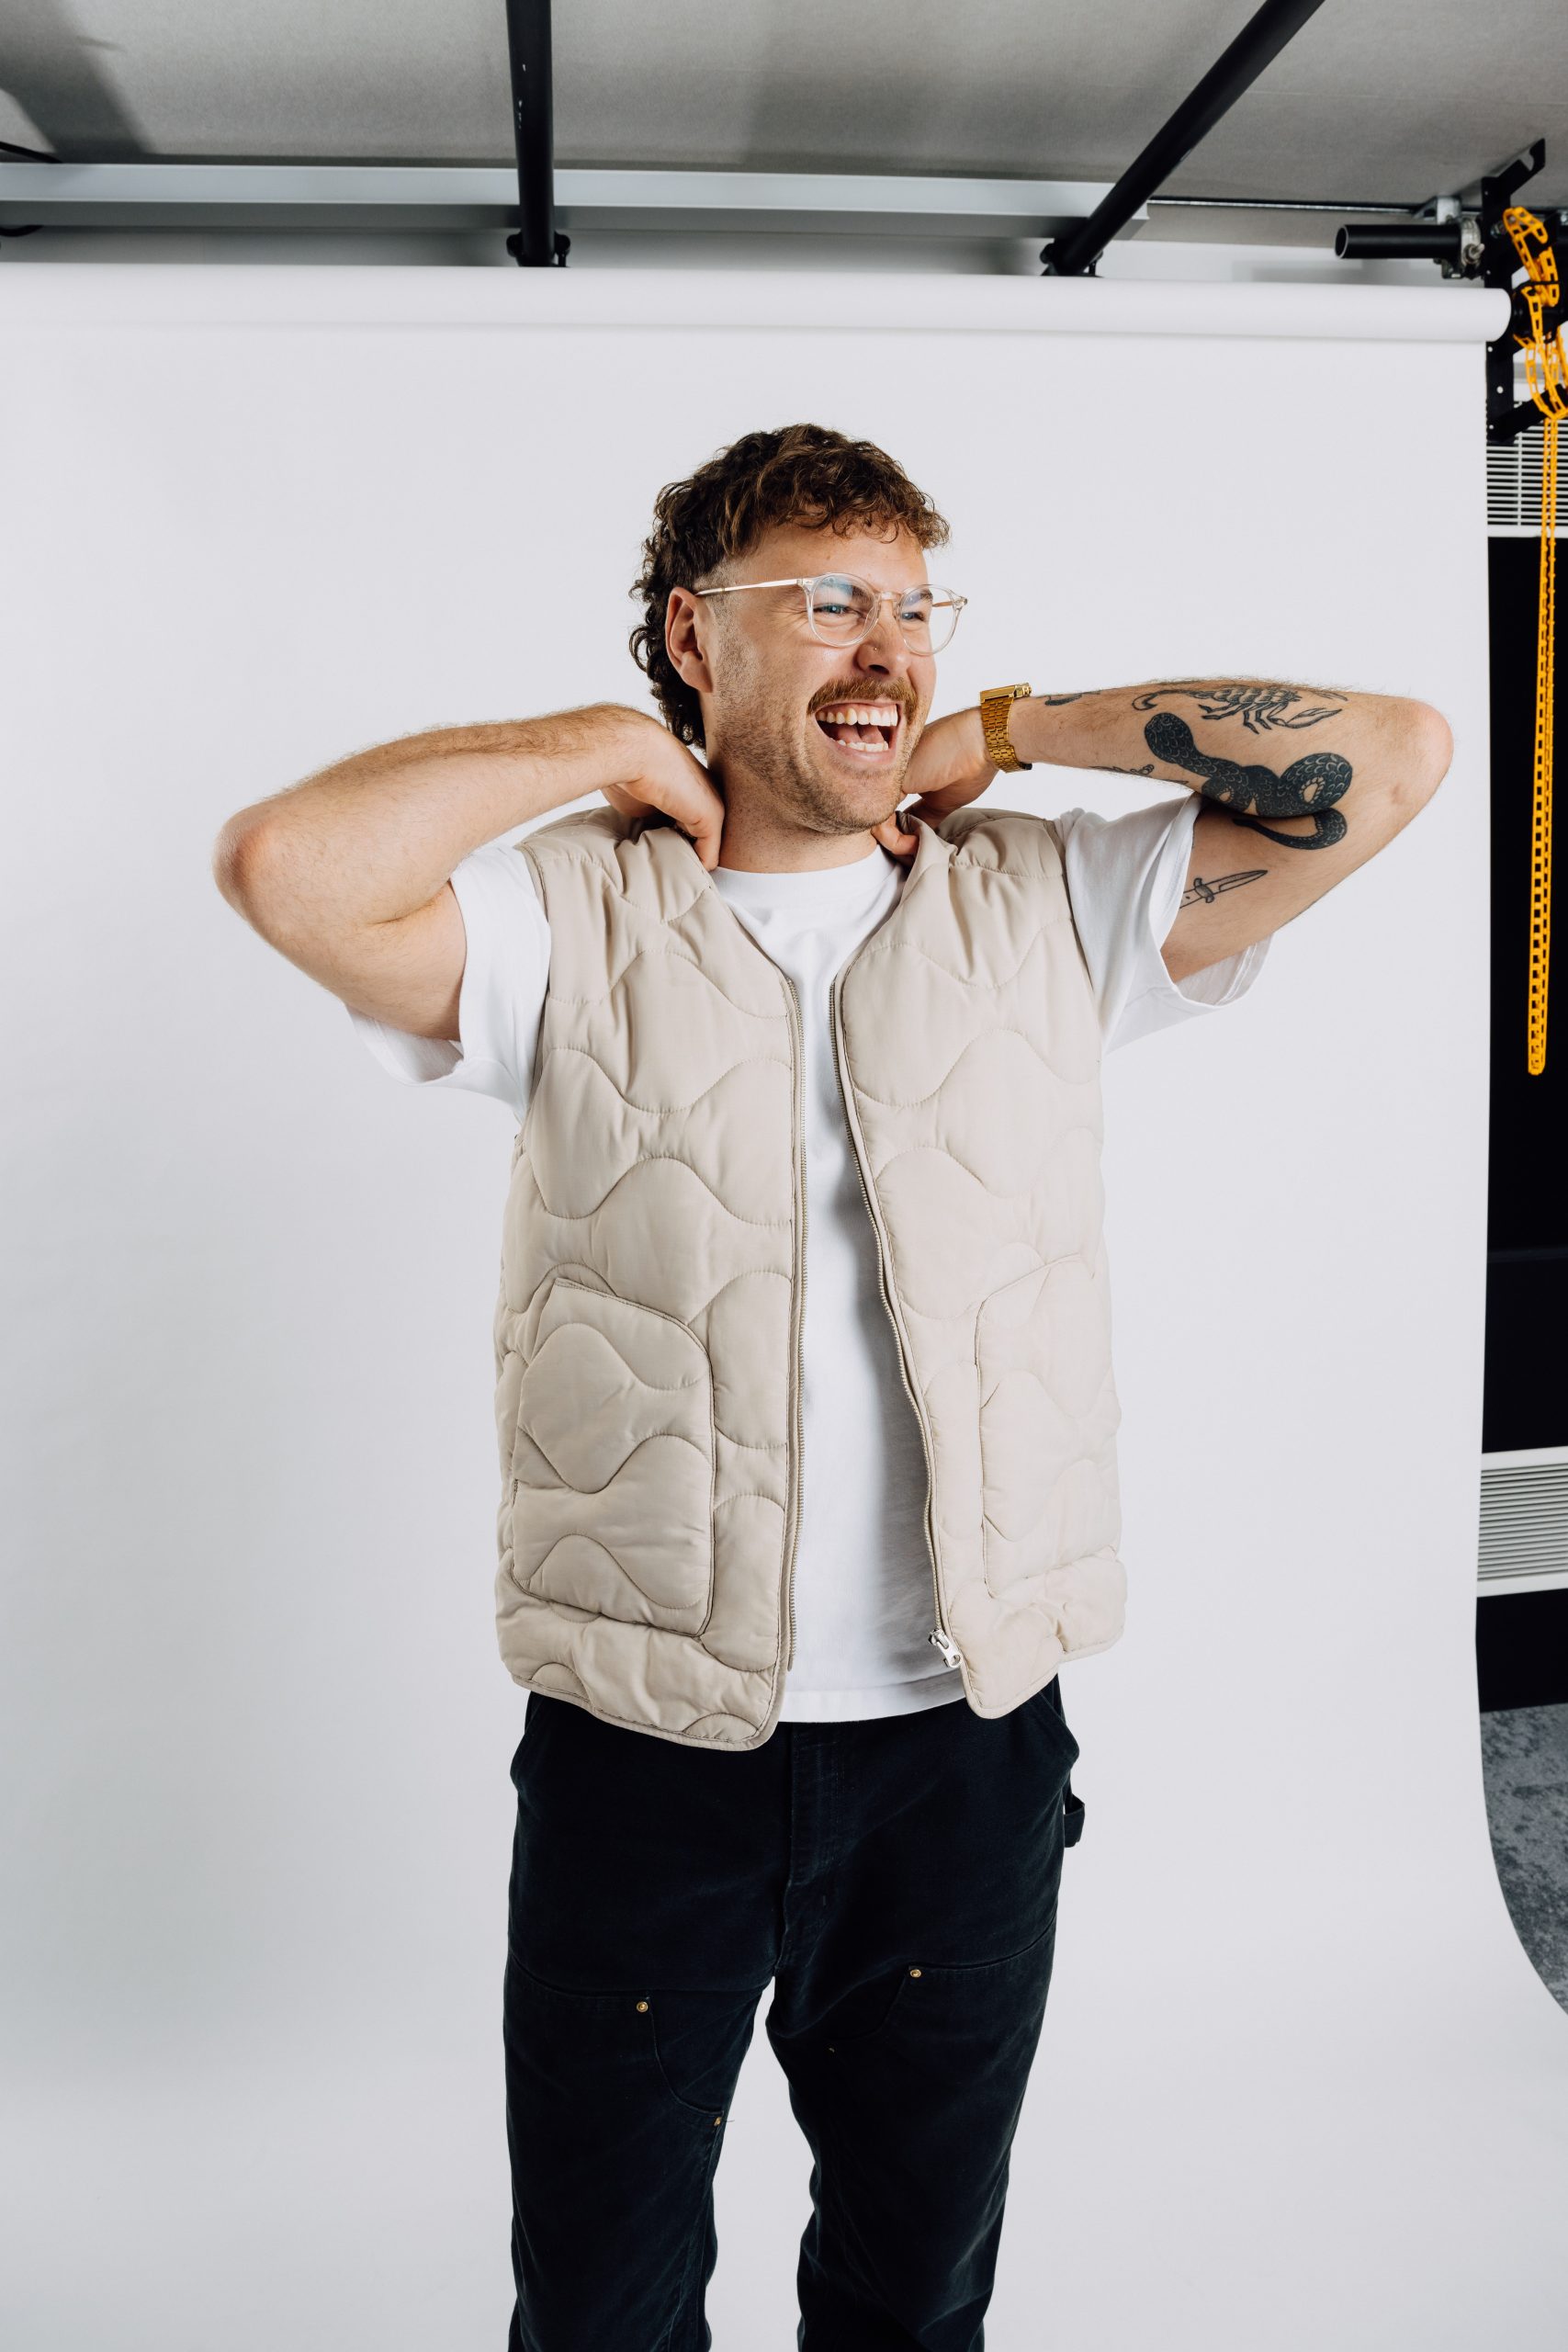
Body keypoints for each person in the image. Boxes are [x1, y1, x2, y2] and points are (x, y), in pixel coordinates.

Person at [213, 422, 1451, 2351]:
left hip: (963, 1751)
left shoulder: (1044, 901)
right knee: (601, 2315)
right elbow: (283, 868)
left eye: (915, 609)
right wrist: (597, 748)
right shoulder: (566, 917)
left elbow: (1393, 757)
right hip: (646, 1754)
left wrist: (1017, 730)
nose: (888, 649)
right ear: (692, 635)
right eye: (824, 602)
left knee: (911, 2299)